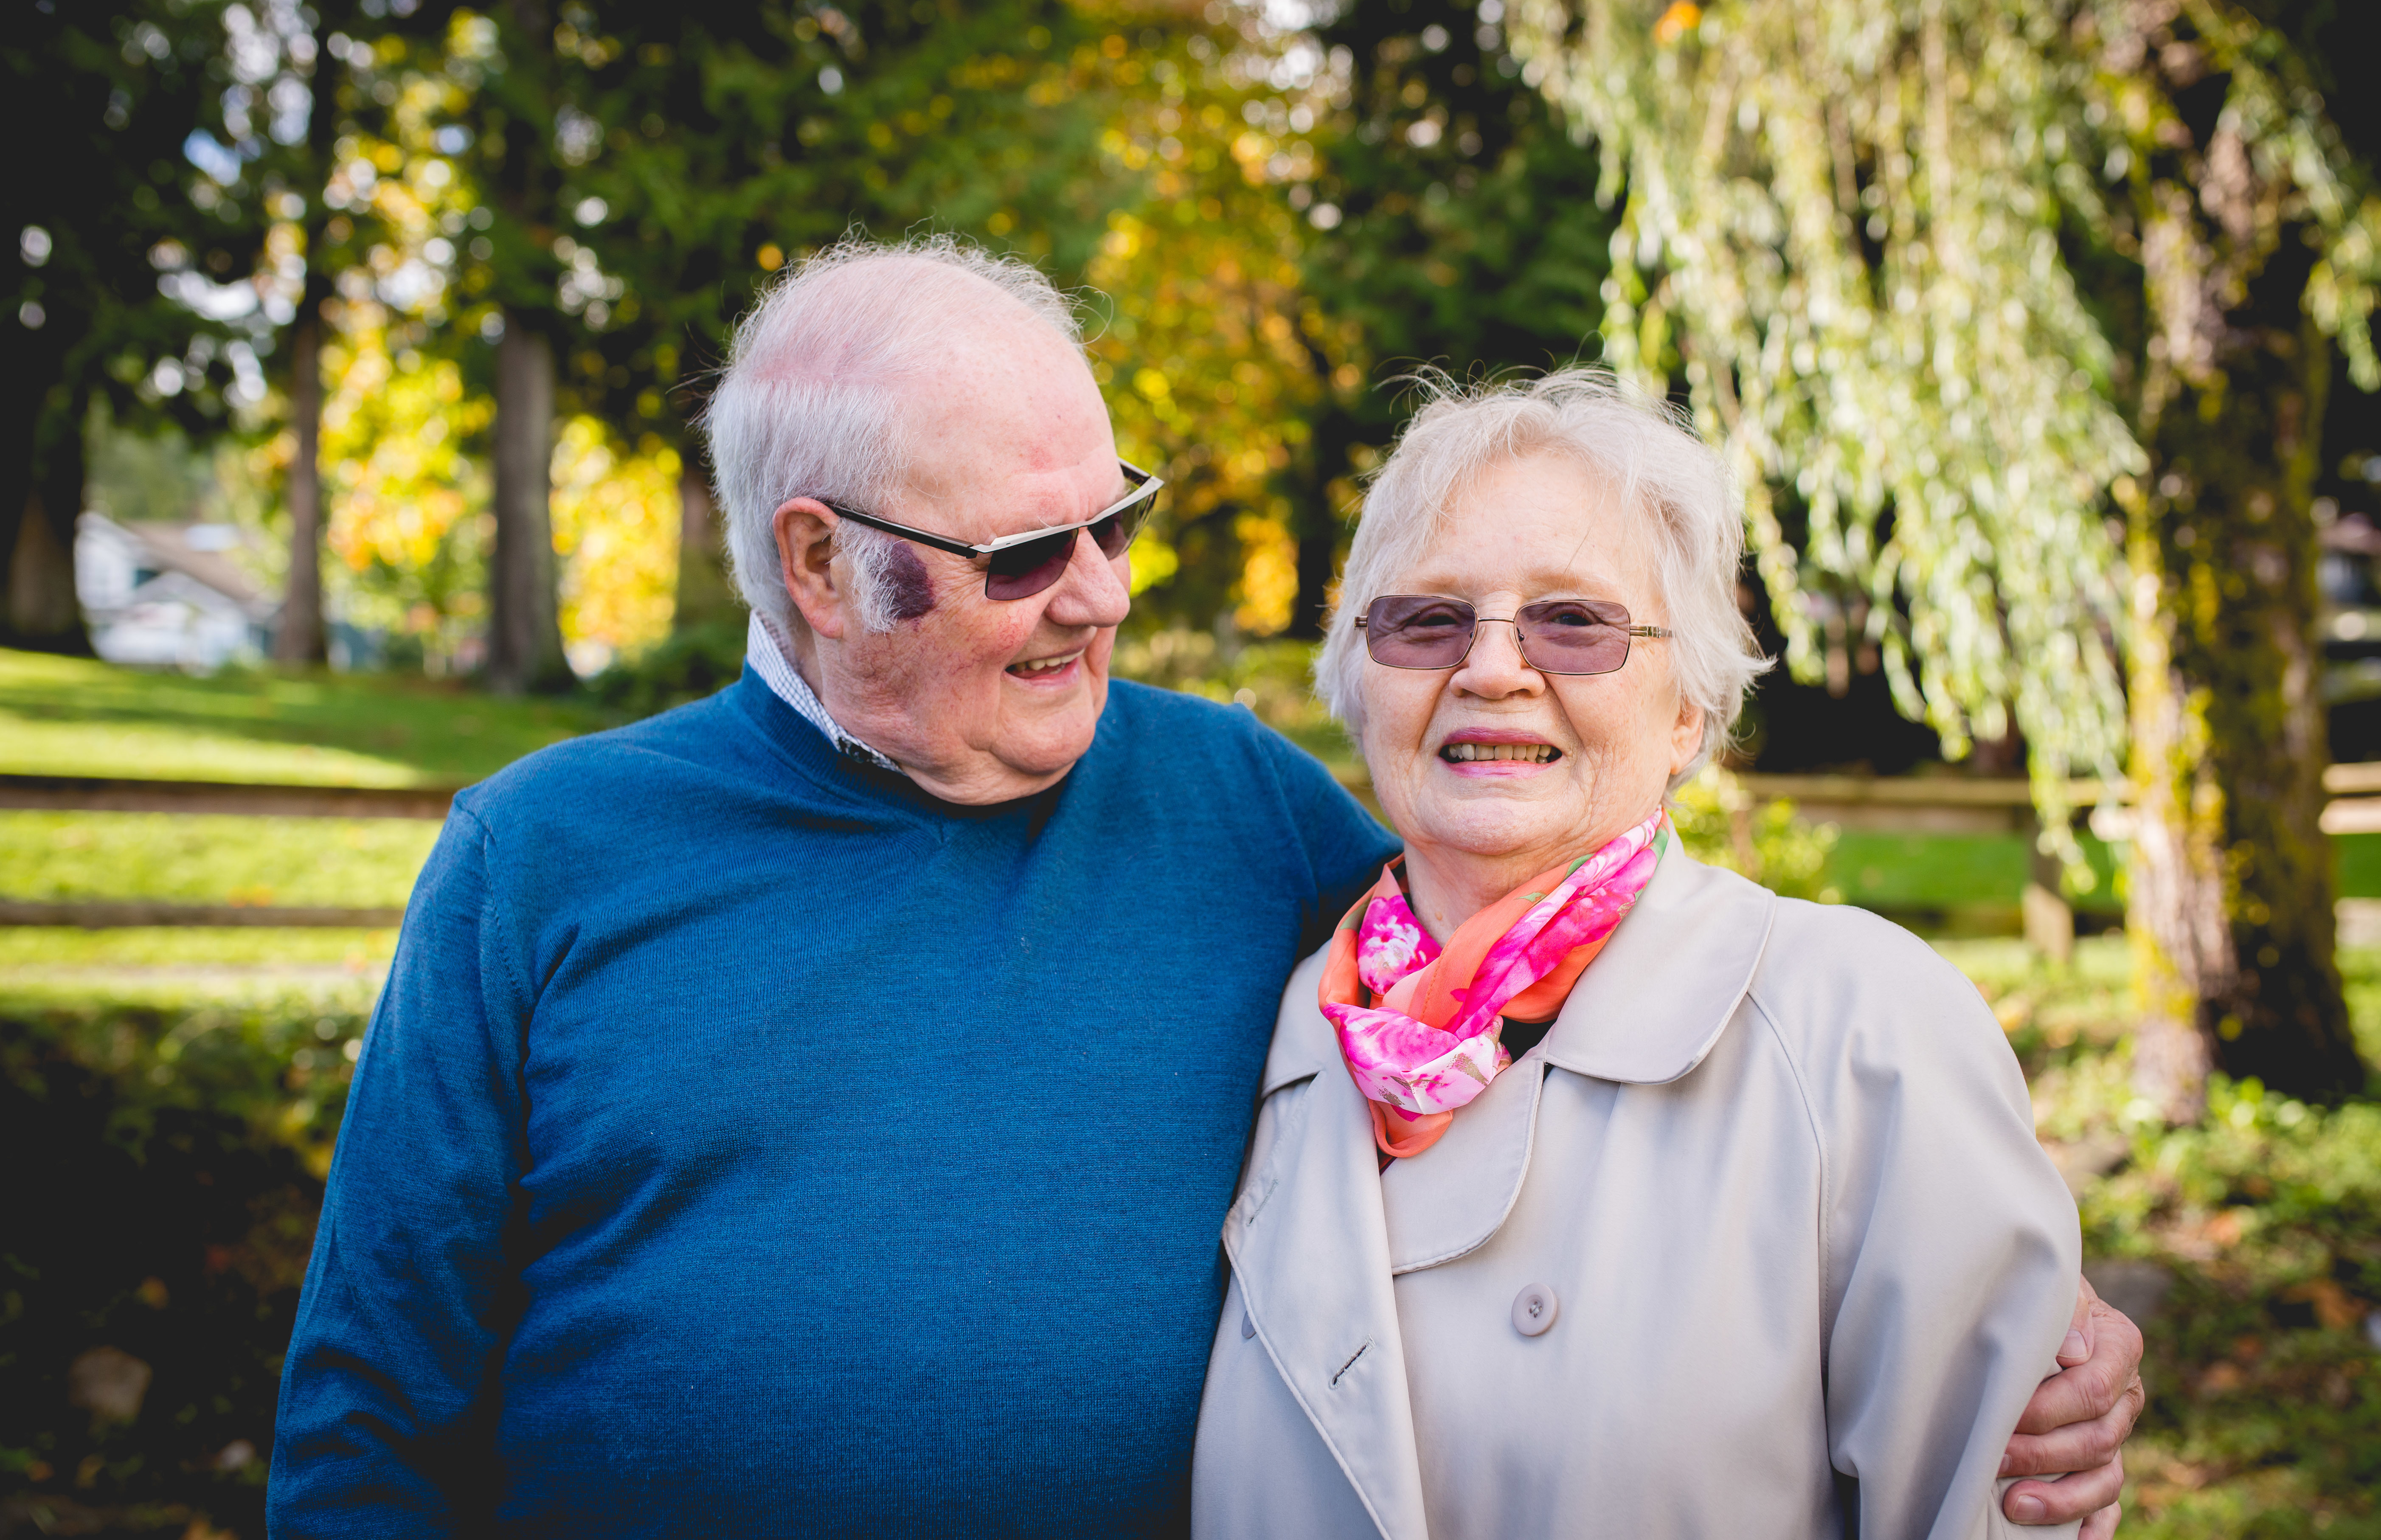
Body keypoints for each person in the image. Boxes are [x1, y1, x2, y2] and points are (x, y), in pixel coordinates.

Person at [269, 239, 2140, 1536]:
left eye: (1113, 516)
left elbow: (1552, 986)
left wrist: (2000, 1319)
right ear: (823, 567)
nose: (1098, 591)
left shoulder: (1240, 814)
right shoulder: (545, 859)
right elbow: (371, 1418)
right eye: (1022, 552)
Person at [1192, 369, 2127, 1539]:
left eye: (1572, 622)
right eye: (1426, 618)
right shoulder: (1273, 1036)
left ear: (1686, 708)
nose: (1489, 668)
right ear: (1357, 681)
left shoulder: (1858, 1029)